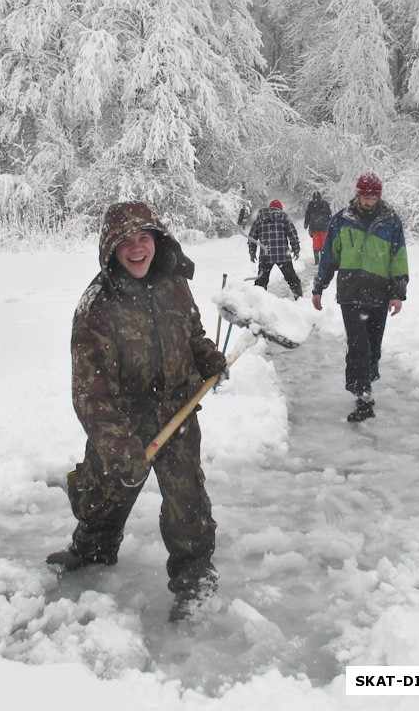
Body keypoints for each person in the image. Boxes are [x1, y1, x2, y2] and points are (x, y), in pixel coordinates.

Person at [47, 201, 227, 622]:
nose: (136, 248)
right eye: (125, 241)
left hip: (177, 413)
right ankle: (92, 550)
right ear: (111, 249)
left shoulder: (174, 284)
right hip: (123, 421)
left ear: (157, 239)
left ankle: (195, 580)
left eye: (144, 237)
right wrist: (118, 445)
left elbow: (192, 332)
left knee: (189, 503)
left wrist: (209, 359)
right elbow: (90, 392)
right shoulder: (95, 307)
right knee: (99, 496)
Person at [311, 173, 409, 422]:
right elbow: (329, 257)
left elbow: (398, 258)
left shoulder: (391, 221)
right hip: (350, 293)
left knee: (372, 347)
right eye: (365, 195)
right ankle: (362, 395)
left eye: (374, 196)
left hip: (379, 293)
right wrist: (319, 287)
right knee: (358, 344)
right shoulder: (342, 220)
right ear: (358, 193)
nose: (369, 201)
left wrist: (397, 294)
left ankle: (365, 377)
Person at [248, 199, 303, 299]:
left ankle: (258, 303)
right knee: (293, 280)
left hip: (266, 256)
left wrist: (252, 252)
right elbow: (293, 235)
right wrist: (296, 249)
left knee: (261, 282)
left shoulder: (260, 219)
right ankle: (299, 298)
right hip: (282, 255)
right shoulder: (284, 218)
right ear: (280, 209)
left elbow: (252, 238)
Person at [304, 191, 332, 264]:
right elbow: (307, 215)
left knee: (321, 244)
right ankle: (318, 260)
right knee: (318, 245)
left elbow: (329, 215)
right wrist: (306, 223)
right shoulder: (311, 205)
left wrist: (306, 223)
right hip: (316, 228)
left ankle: (322, 260)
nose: (316, 200)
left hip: (321, 228)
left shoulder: (324, 205)